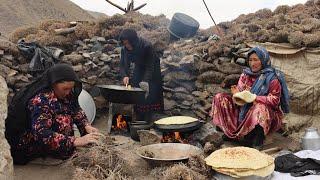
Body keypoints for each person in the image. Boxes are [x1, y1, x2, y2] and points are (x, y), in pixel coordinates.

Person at [5, 64, 101, 165]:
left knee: (65, 118)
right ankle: (46, 155)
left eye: (70, 88)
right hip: (28, 143)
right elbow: (41, 134)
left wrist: (86, 126)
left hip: (46, 137)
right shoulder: (40, 100)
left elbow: (76, 110)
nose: (68, 92)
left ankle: (62, 149)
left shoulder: (66, 94)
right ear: (53, 84)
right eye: (65, 89)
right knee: (62, 120)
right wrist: (75, 141)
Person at [211, 46, 290, 148]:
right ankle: (232, 134)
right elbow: (241, 93)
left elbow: (274, 100)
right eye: (250, 60)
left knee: (260, 107)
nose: (253, 63)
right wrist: (237, 94)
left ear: (263, 60)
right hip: (243, 109)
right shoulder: (246, 74)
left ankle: (258, 140)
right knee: (219, 98)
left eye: (256, 60)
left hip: (264, 114)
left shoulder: (272, 78)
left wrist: (254, 97)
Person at [119, 29, 164, 123]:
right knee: (136, 87)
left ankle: (150, 117)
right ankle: (139, 115)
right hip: (139, 67)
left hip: (153, 68)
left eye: (128, 43)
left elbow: (150, 66)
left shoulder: (146, 46)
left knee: (151, 91)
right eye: (125, 43)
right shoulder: (124, 49)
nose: (127, 45)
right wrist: (125, 76)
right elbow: (123, 65)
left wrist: (145, 80)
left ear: (134, 41)